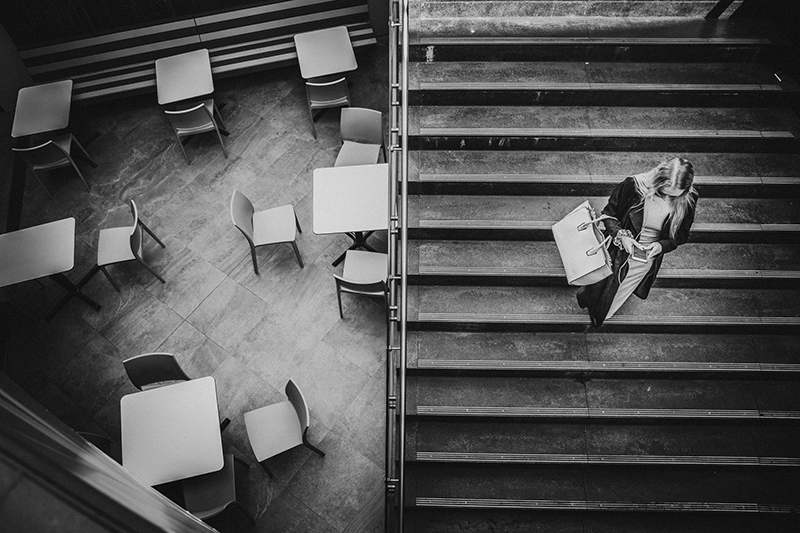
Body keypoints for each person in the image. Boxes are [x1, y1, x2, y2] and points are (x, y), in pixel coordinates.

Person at [576, 157, 698, 326]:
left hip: (645, 260)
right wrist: (622, 236)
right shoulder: (634, 186)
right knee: (602, 287)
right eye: (663, 192)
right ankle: (588, 301)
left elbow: (680, 236)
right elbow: (609, 214)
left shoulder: (688, 199)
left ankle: (594, 314)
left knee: (609, 306)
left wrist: (660, 246)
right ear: (657, 180)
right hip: (619, 250)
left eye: (674, 196)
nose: (667, 198)